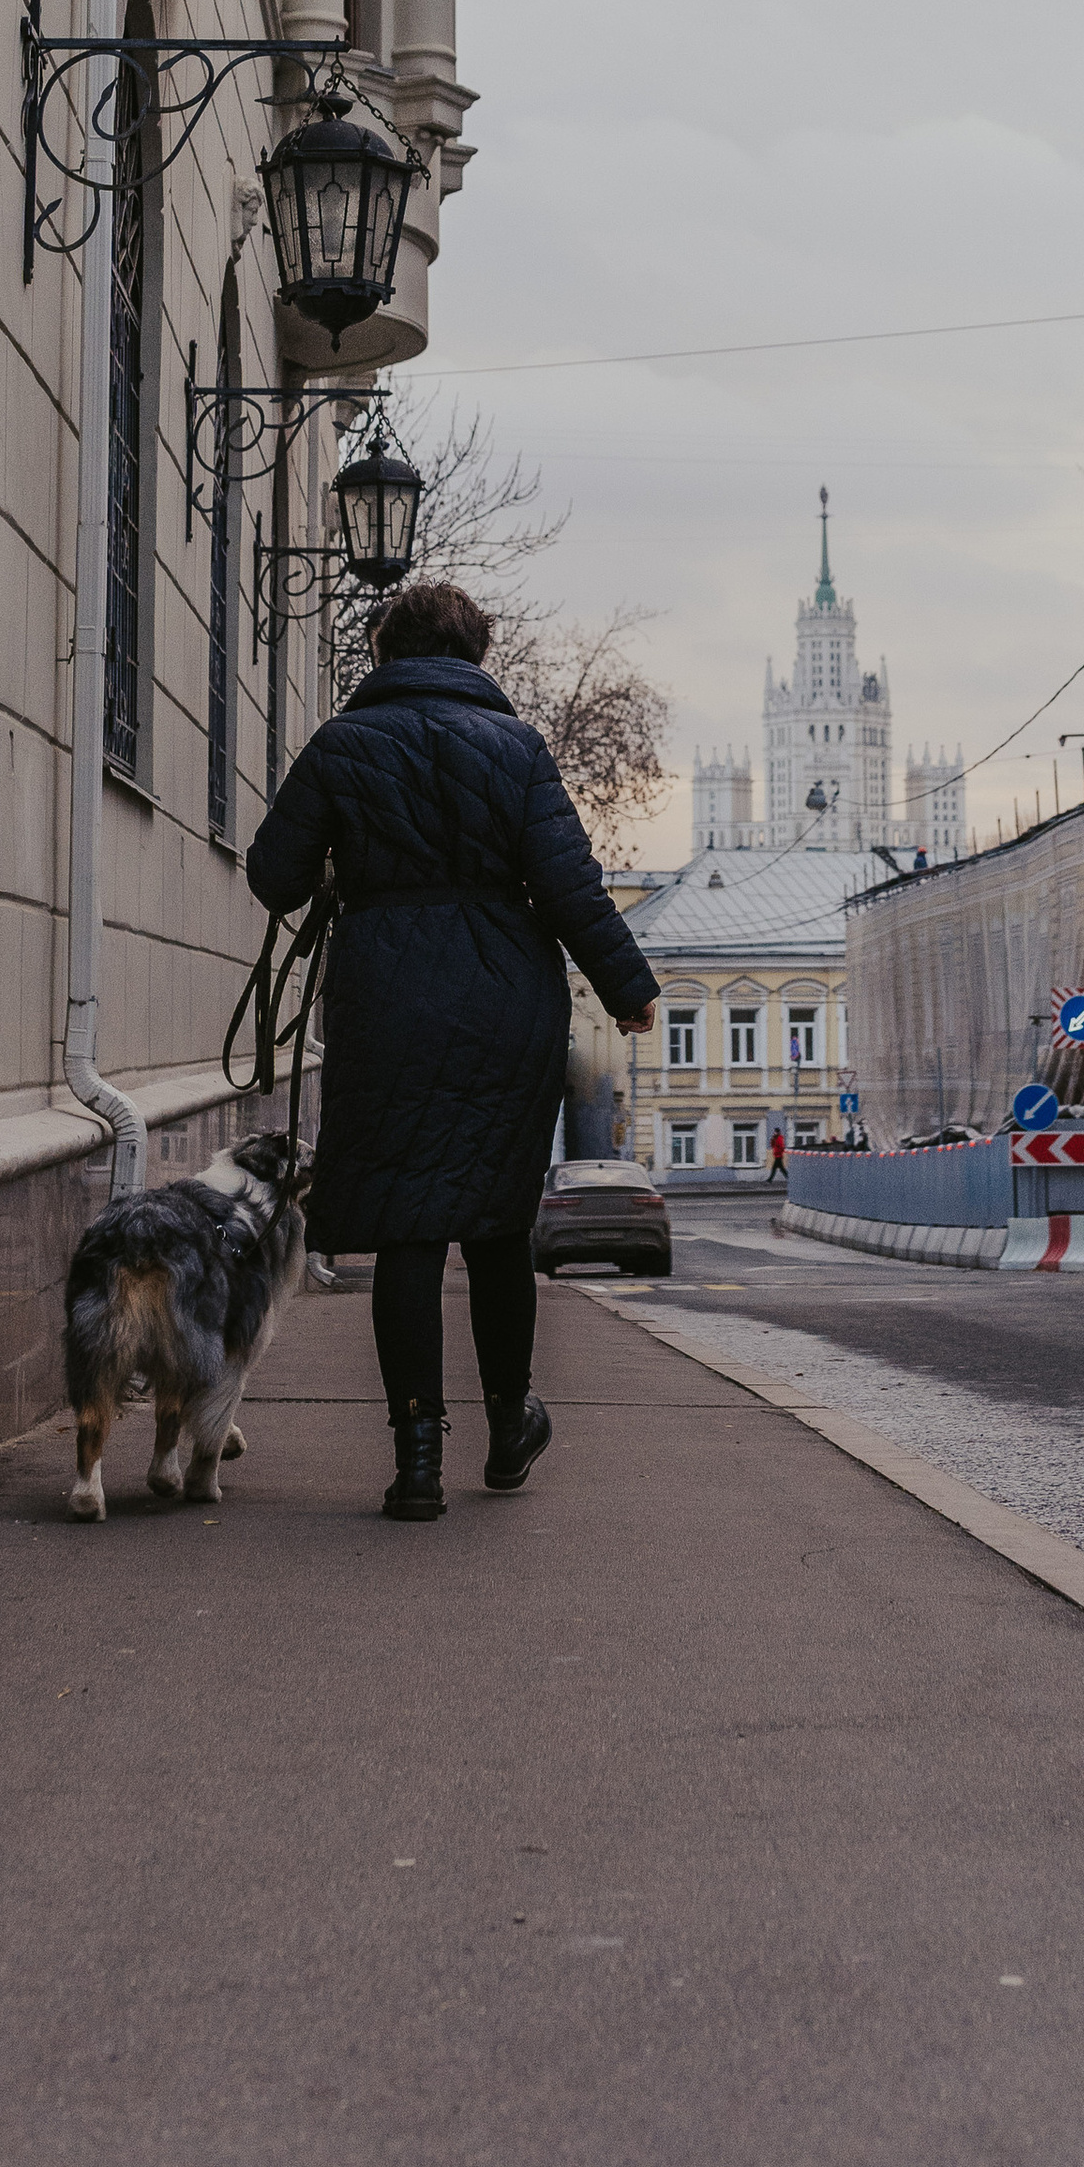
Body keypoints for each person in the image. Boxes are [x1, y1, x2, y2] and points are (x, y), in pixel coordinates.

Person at [245, 575, 658, 1522]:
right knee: (498, 1224)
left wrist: (357, 862)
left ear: (387, 651)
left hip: (387, 1001)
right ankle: (510, 1428)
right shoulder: (514, 747)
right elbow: (569, 886)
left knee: (410, 1229)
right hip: (505, 1003)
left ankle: (417, 1462)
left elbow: (276, 877)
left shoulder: (343, 743)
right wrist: (628, 989)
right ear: (476, 655)